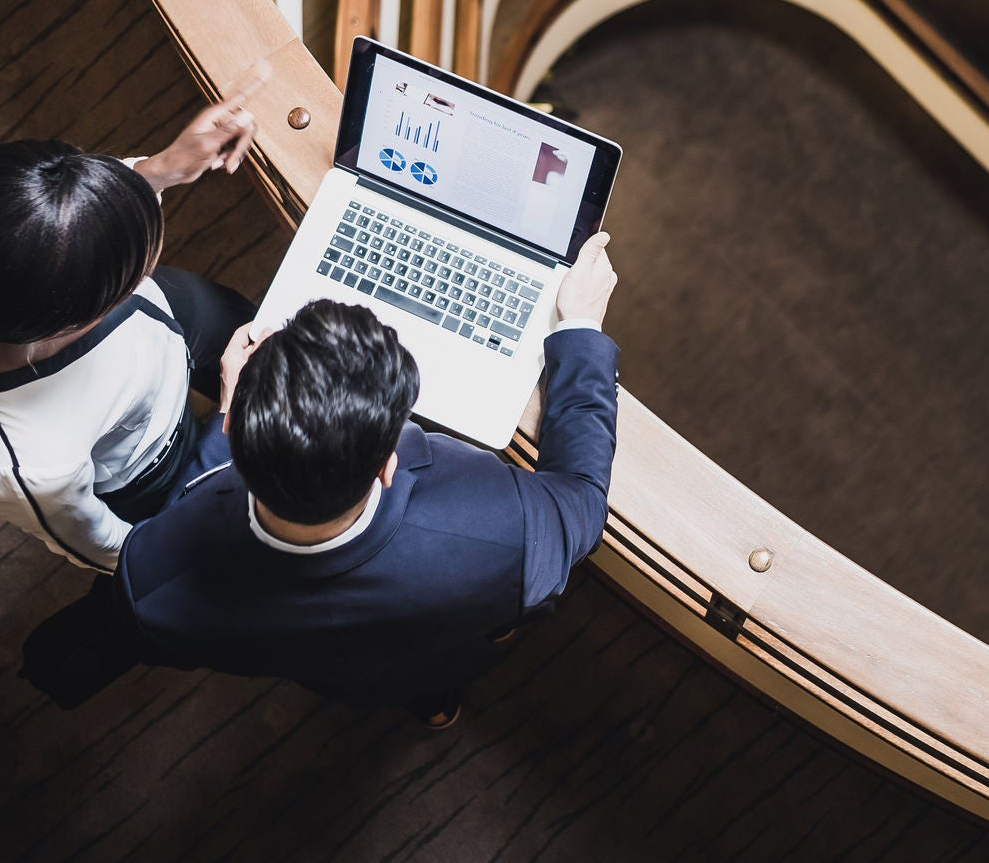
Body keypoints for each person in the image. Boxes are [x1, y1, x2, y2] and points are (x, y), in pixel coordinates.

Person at [49, 231, 620, 725]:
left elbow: (189, 503)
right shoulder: (504, 534)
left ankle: (431, 706)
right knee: (445, 658)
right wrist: (581, 329)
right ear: (387, 463)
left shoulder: (153, 579)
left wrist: (228, 414)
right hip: (440, 638)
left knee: (381, 684)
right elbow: (581, 503)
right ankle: (441, 693)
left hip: (334, 674)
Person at [0, 77, 265, 572]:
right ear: (71, 320)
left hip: (172, 319)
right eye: (135, 273)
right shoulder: (32, 464)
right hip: (152, 455)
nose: (151, 259)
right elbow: (130, 555)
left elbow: (47, 227)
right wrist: (230, 429)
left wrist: (156, 171)